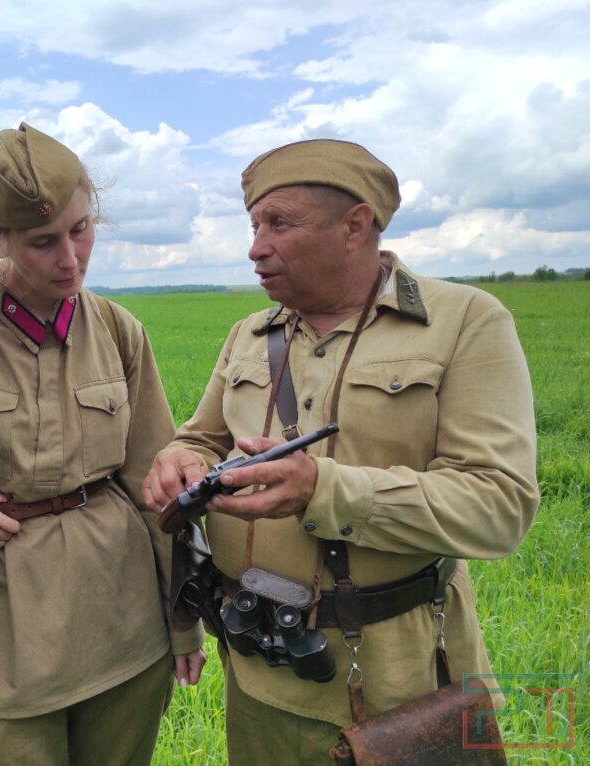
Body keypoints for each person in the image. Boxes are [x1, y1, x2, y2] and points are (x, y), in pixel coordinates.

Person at [143, 139, 539, 764]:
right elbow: (202, 436)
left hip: (400, 681)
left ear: (356, 226)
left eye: (279, 223)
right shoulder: (249, 334)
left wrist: (324, 490)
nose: (255, 247)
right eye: (253, 225)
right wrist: (181, 458)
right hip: (258, 671)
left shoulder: (465, 321)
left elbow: (499, 506)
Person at [0, 122, 205, 765]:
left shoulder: (118, 329)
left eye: (80, 230)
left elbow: (159, 488)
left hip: (122, 629)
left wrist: (182, 619)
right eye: (42, 242)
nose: (71, 259)